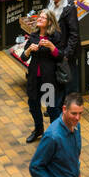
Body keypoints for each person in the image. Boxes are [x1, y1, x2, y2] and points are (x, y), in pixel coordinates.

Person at [21, 11, 64, 143]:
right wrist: (29, 50)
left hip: (48, 79)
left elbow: (61, 56)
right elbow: (24, 57)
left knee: (50, 107)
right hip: (34, 78)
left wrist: (51, 46)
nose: (39, 19)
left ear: (49, 22)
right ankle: (38, 129)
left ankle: (54, 134)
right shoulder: (33, 36)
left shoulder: (55, 37)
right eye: (39, 17)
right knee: (33, 104)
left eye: (43, 18)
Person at [43, 0, 79, 95]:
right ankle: (53, 107)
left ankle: (69, 107)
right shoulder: (50, 1)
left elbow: (74, 33)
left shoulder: (69, 8)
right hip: (52, 49)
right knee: (52, 79)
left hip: (64, 52)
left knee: (68, 81)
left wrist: (67, 54)